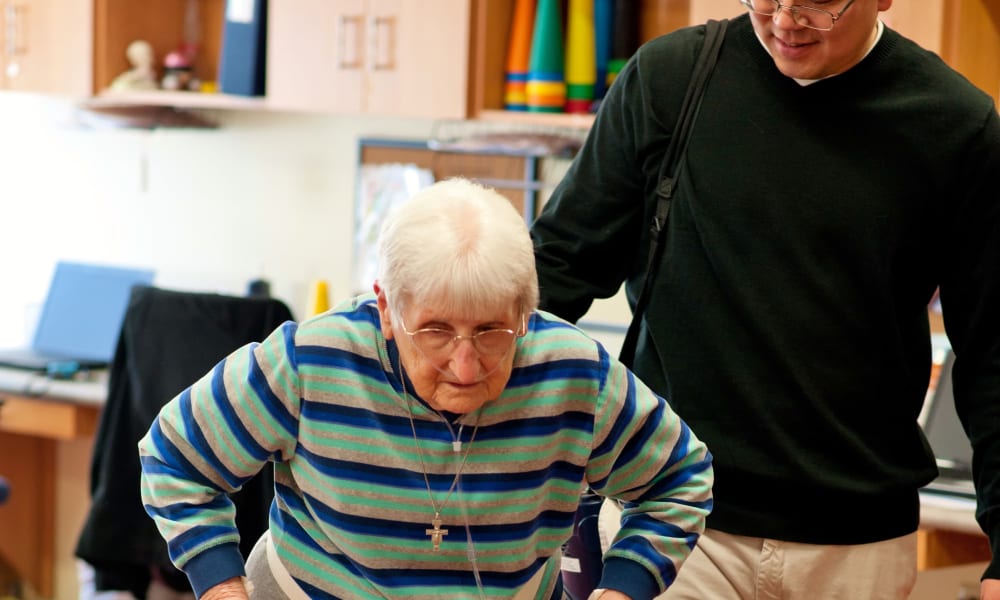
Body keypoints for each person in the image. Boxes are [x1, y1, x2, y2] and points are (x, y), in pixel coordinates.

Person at [530, 1, 1000, 598]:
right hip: (675, 523)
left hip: (857, 548)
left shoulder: (955, 125)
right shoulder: (670, 80)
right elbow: (557, 270)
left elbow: (992, 353)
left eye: (818, 3)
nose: (785, 20)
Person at [138, 178, 713, 600]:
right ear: (386, 307)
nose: (465, 367)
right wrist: (219, 583)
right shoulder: (312, 360)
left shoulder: (573, 374)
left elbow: (679, 481)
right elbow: (174, 457)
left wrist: (623, 591)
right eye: (436, 331)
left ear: (525, 310)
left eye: (492, 331)